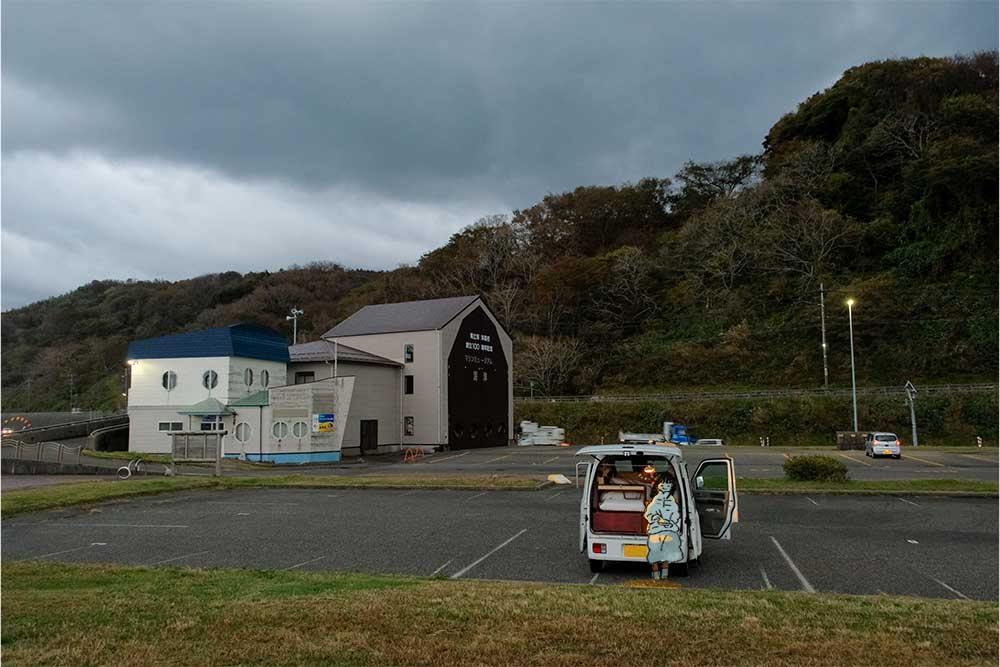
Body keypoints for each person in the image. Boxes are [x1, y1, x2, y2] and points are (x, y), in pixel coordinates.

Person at [644, 475, 683, 580]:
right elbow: (649, 514)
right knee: (655, 550)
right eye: (663, 483)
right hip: (657, 530)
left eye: (668, 484)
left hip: (669, 530)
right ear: (658, 486)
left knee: (667, 551)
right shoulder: (656, 500)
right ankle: (656, 573)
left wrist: (671, 521)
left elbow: (675, 514)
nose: (666, 486)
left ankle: (664, 574)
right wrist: (658, 519)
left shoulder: (672, 501)